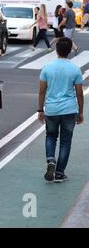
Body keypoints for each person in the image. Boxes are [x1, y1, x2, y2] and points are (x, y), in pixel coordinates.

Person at [39, 38, 84, 183]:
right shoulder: (75, 69)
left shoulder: (47, 67)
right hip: (69, 110)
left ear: (56, 49)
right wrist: (80, 112)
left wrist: (40, 109)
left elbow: (41, 91)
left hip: (51, 109)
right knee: (66, 142)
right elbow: (79, 93)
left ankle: (50, 160)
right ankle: (59, 173)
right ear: (70, 50)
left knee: (51, 136)